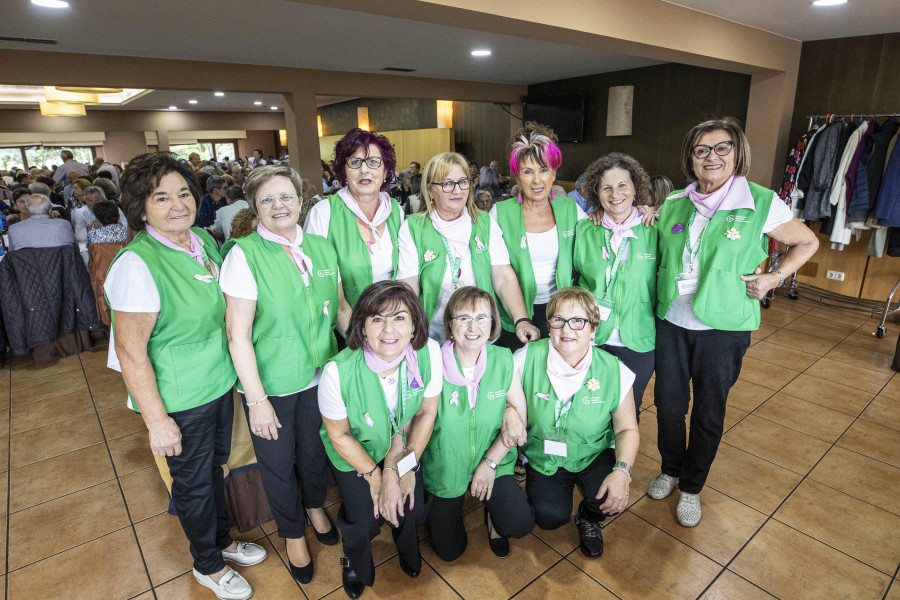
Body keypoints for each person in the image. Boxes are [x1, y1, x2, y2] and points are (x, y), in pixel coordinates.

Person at [104, 152, 265, 600]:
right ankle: (207, 565)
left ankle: (221, 540)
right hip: (179, 398)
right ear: (140, 209)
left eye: (183, 193)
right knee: (193, 483)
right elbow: (130, 352)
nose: (178, 204)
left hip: (215, 384)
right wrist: (157, 421)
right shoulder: (138, 263)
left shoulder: (200, 240)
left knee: (213, 470)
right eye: (161, 197)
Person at [649, 117, 819, 527]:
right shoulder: (675, 201)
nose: (712, 157)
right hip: (671, 321)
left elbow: (807, 241)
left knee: (708, 411)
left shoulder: (761, 202)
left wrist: (774, 277)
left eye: (722, 148)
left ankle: (691, 486)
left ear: (737, 152)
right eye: (702, 149)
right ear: (690, 157)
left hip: (723, 329)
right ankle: (671, 468)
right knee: (669, 407)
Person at [222, 165, 349, 584]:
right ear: (254, 207)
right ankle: (293, 533)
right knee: (278, 464)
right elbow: (237, 335)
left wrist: (367, 350)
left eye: (286, 196)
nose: (279, 205)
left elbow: (341, 309)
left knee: (314, 454)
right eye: (267, 199)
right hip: (272, 384)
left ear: (301, 199)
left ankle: (315, 505)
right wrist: (256, 400)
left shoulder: (321, 247)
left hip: (320, 375)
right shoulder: (244, 254)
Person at [318, 281, 441, 599]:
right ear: (361, 325)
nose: (389, 329)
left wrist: (406, 468)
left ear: (414, 324)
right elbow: (340, 435)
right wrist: (376, 477)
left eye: (400, 317)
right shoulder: (337, 372)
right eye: (377, 318)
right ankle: (354, 561)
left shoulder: (429, 354)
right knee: (364, 520)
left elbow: (426, 413)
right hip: (356, 454)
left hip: (403, 447)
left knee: (411, 507)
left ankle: (408, 548)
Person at [517, 287, 639, 559]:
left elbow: (627, 429)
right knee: (548, 517)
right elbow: (507, 403)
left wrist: (623, 471)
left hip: (591, 453)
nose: (566, 329)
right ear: (549, 324)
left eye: (578, 321)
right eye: (558, 319)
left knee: (608, 499)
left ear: (593, 328)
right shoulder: (526, 358)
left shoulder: (614, 370)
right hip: (545, 455)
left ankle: (588, 518)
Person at [421, 286, 534, 561]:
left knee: (519, 524)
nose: (473, 327)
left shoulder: (504, 360)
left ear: (494, 324)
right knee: (449, 551)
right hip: (447, 468)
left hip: (495, 459)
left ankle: (492, 517)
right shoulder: (431, 363)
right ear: (449, 323)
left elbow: (520, 422)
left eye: (482, 318)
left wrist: (491, 463)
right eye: (463, 318)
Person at [397, 151, 540, 345]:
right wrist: (408, 333)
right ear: (430, 190)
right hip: (433, 336)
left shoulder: (484, 222)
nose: (457, 190)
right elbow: (408, 287)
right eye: (447, 183)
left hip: (481, 335)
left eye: (463, 181)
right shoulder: (413, 228)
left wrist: (521, 320)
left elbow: (503, 276)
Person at [574, 153, 658, 416]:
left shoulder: (655, 229)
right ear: (597, 194)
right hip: (591, 337)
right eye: (606, 187)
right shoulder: (584, 229)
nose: (615, 194)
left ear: (635, 188)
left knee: (630, 409)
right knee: (590, 406)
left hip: (638, 338)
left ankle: (622, 457)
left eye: (623, 185)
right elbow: (571, 282)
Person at [491, 124, 587, 350]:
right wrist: (521, 318)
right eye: (527, 172)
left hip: (559, 312)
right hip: (512, 311)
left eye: (544, 170)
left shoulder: (570, 209)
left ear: (553, 174)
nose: (536, 180)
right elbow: (499, 273)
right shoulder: (500, 214)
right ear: (517, 177)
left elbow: (598, 238)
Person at [304, 128, 405, 309]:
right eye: (355, 162)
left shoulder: (395, 211)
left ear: (385, 171)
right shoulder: (323, 213)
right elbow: (317, 285)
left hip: (391, 322)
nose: (364, 170)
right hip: (343, 328)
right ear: (344, 171)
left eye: (373, 162)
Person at [7, 194, 76, 251]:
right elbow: (75, 250)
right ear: (50, 210)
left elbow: (12, 256)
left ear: (27, 210)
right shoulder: (65, 225)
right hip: (63, 266)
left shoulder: (13, 229)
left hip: (28, 267)